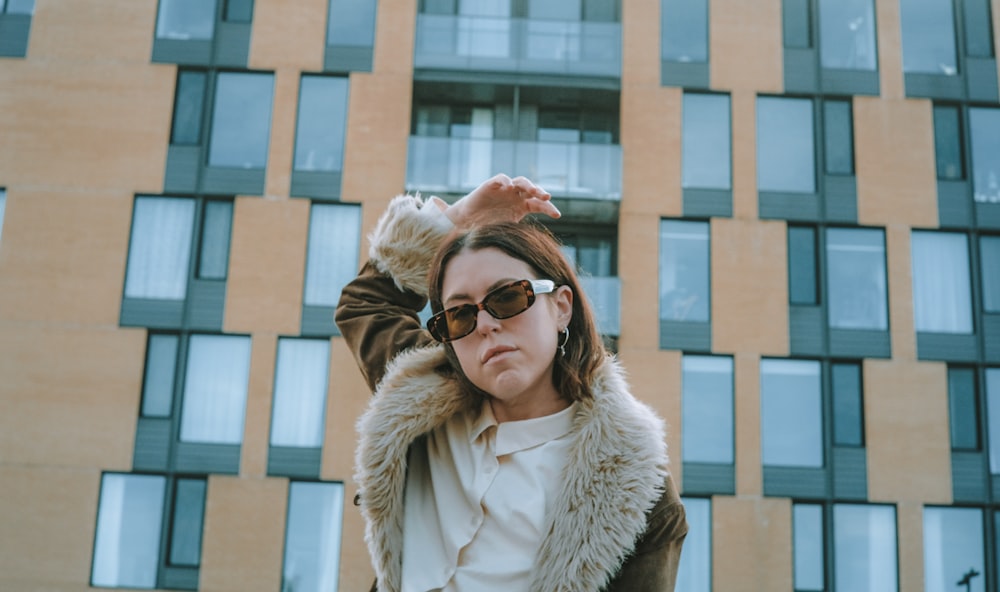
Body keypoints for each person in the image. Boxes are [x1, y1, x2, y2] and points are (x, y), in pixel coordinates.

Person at [336, 174, 687, 592]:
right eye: (459, 314)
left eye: (507, 298)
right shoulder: (419, 398)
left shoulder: (633, 487)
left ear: (561, 308)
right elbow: (367, 301)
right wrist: (457, 221)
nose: (484, 325)